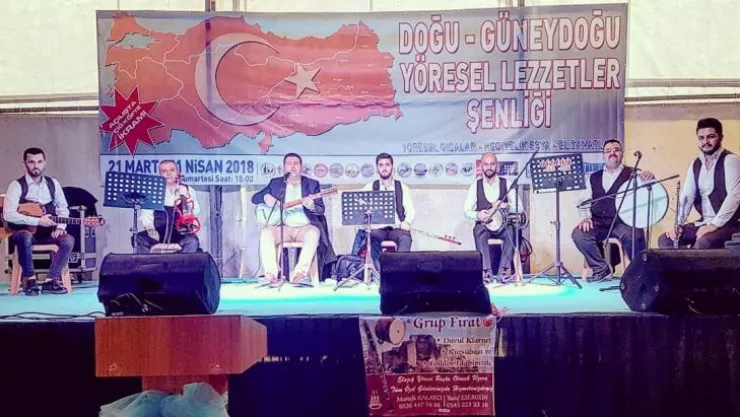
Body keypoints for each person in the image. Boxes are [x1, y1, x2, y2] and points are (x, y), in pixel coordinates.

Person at [572, 139, 654, 282]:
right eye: (608, 151)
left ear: (622, 153)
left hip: (623, 222)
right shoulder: (593, 177)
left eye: (616, 150)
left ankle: (640, 273)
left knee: (635, 235)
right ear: (603, 156)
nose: (612, 153)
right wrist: (585, 218)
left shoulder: (635, 173)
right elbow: (583, 200)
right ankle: (601, 269)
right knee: (579, 234)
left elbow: (650, 191)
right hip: (598, 222)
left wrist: (650, 179)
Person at [252, 153, 336, 284]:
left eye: (296, 163)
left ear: (301, 167)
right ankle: (271, 274)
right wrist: (265, 197)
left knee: (314, 233)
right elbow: (255, 198)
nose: (293, 166)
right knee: (266, 233)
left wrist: (312, 206)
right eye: (289, 163)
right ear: (284, 167)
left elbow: (321, 209)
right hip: (283, 227)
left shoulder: (311, 184)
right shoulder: (276, 183)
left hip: (305, 228)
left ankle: (300, 274)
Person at [659, 118, 740, 249]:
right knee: (666, 240)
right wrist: (678, 225)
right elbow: (687, 197)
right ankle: (682, 263)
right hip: (704, 222)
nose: (705, 142)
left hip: (731, 224)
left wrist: (714, 225)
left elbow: (734, 197)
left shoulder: (731, 161)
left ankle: (689, 261)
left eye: (711, 137)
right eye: (701, 138)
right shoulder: (696, 164)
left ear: (721, 137)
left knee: (704, 242)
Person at [2, 147, 73, 295]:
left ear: (44, 163)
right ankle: (29, 280)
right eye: (31, 162)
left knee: (68, 240)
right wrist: (37, 221)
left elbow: (63, 208)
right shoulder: (16, 186)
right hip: (23, 232)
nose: (36, 166)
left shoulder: (53, 184)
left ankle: (51, 280)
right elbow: (8, 215)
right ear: (24, 164)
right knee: (24, 236)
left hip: (47, 232)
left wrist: (61, 226)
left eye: (39, 162)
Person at [463, 152, 524, 281]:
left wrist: (506, 206)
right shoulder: (475, 185)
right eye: (486, 164)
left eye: (492, 164)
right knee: (478, 231)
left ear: (497, 165)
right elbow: (466, 211)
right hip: (485, 226)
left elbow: (520, 208)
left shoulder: (506, 183)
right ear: (481, 166)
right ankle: (486, 273)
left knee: (513, 231)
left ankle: (503, 272)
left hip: (503, 226)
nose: (489, 167)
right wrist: (478, 214)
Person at [351, 153, 415, 262]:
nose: (384, 168)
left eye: (387, 165)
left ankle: (399, 269)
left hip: (396, 228)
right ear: (377, 168)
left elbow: (410, 209)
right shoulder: (369, 187)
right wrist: (367, 222)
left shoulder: (402, 187)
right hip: (377, 230)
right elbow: (359, 210)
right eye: (381, 165)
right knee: (371, 237)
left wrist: (407, 222)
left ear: (392, 167)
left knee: (405, 238)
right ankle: (378, 270)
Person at [136, 160, 200, 253]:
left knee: (192, 241)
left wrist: (186, 196)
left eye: (172, 170)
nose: (168, 173)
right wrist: (150, 229)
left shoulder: (188, 190)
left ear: (177, 172)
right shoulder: (153, 191)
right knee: (139, 238)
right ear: (160, 174)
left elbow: (196, 211)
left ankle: (183, 263)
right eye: (164, 171)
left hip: (180, 233)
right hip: (157, 233)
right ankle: (148, 263)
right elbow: (145, 215)